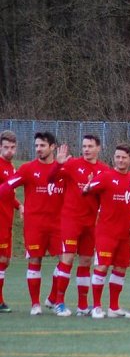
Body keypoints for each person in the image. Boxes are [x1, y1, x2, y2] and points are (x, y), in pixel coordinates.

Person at [0, 132, 63, 315]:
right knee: (34, 261)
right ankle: (35, 305)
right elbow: (8, 186)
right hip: (35, 224)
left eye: (42, 146)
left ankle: (53, 298)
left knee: (64, 260)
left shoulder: (63, 169)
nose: (38, 149)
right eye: (36, 146)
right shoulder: (27, 169)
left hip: (58, 224)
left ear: (52, 147)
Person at [46, 135, 110, 317]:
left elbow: (106, 195)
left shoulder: (103, 170)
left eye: (90, 146)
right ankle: (59, 303)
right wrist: (58, 164)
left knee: (86, 262)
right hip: (71, 220)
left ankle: (83, 306)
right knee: (67, 259)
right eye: (84, 146)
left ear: (99, 148)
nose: (86, 149)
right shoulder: (72, 164)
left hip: (90, 223)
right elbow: (50, 179)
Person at [81, 143, 130, 319]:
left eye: (124, 157)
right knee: (102, 266)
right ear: (114, 158)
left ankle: (114, 307)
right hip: (106, 232)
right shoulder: (105, 176)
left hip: (124, 233)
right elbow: (86, 190)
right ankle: (97, 307)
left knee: (120, 268)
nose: (120, 160)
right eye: (117, 157)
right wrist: (88, 185)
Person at [0, 130, 23, 313]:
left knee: (5, 260)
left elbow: (8, 194)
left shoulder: (11, 167)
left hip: (7, 219)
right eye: (6, 147)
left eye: (12, 147)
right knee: (2, 259)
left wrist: (19, 206)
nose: (9, 151)